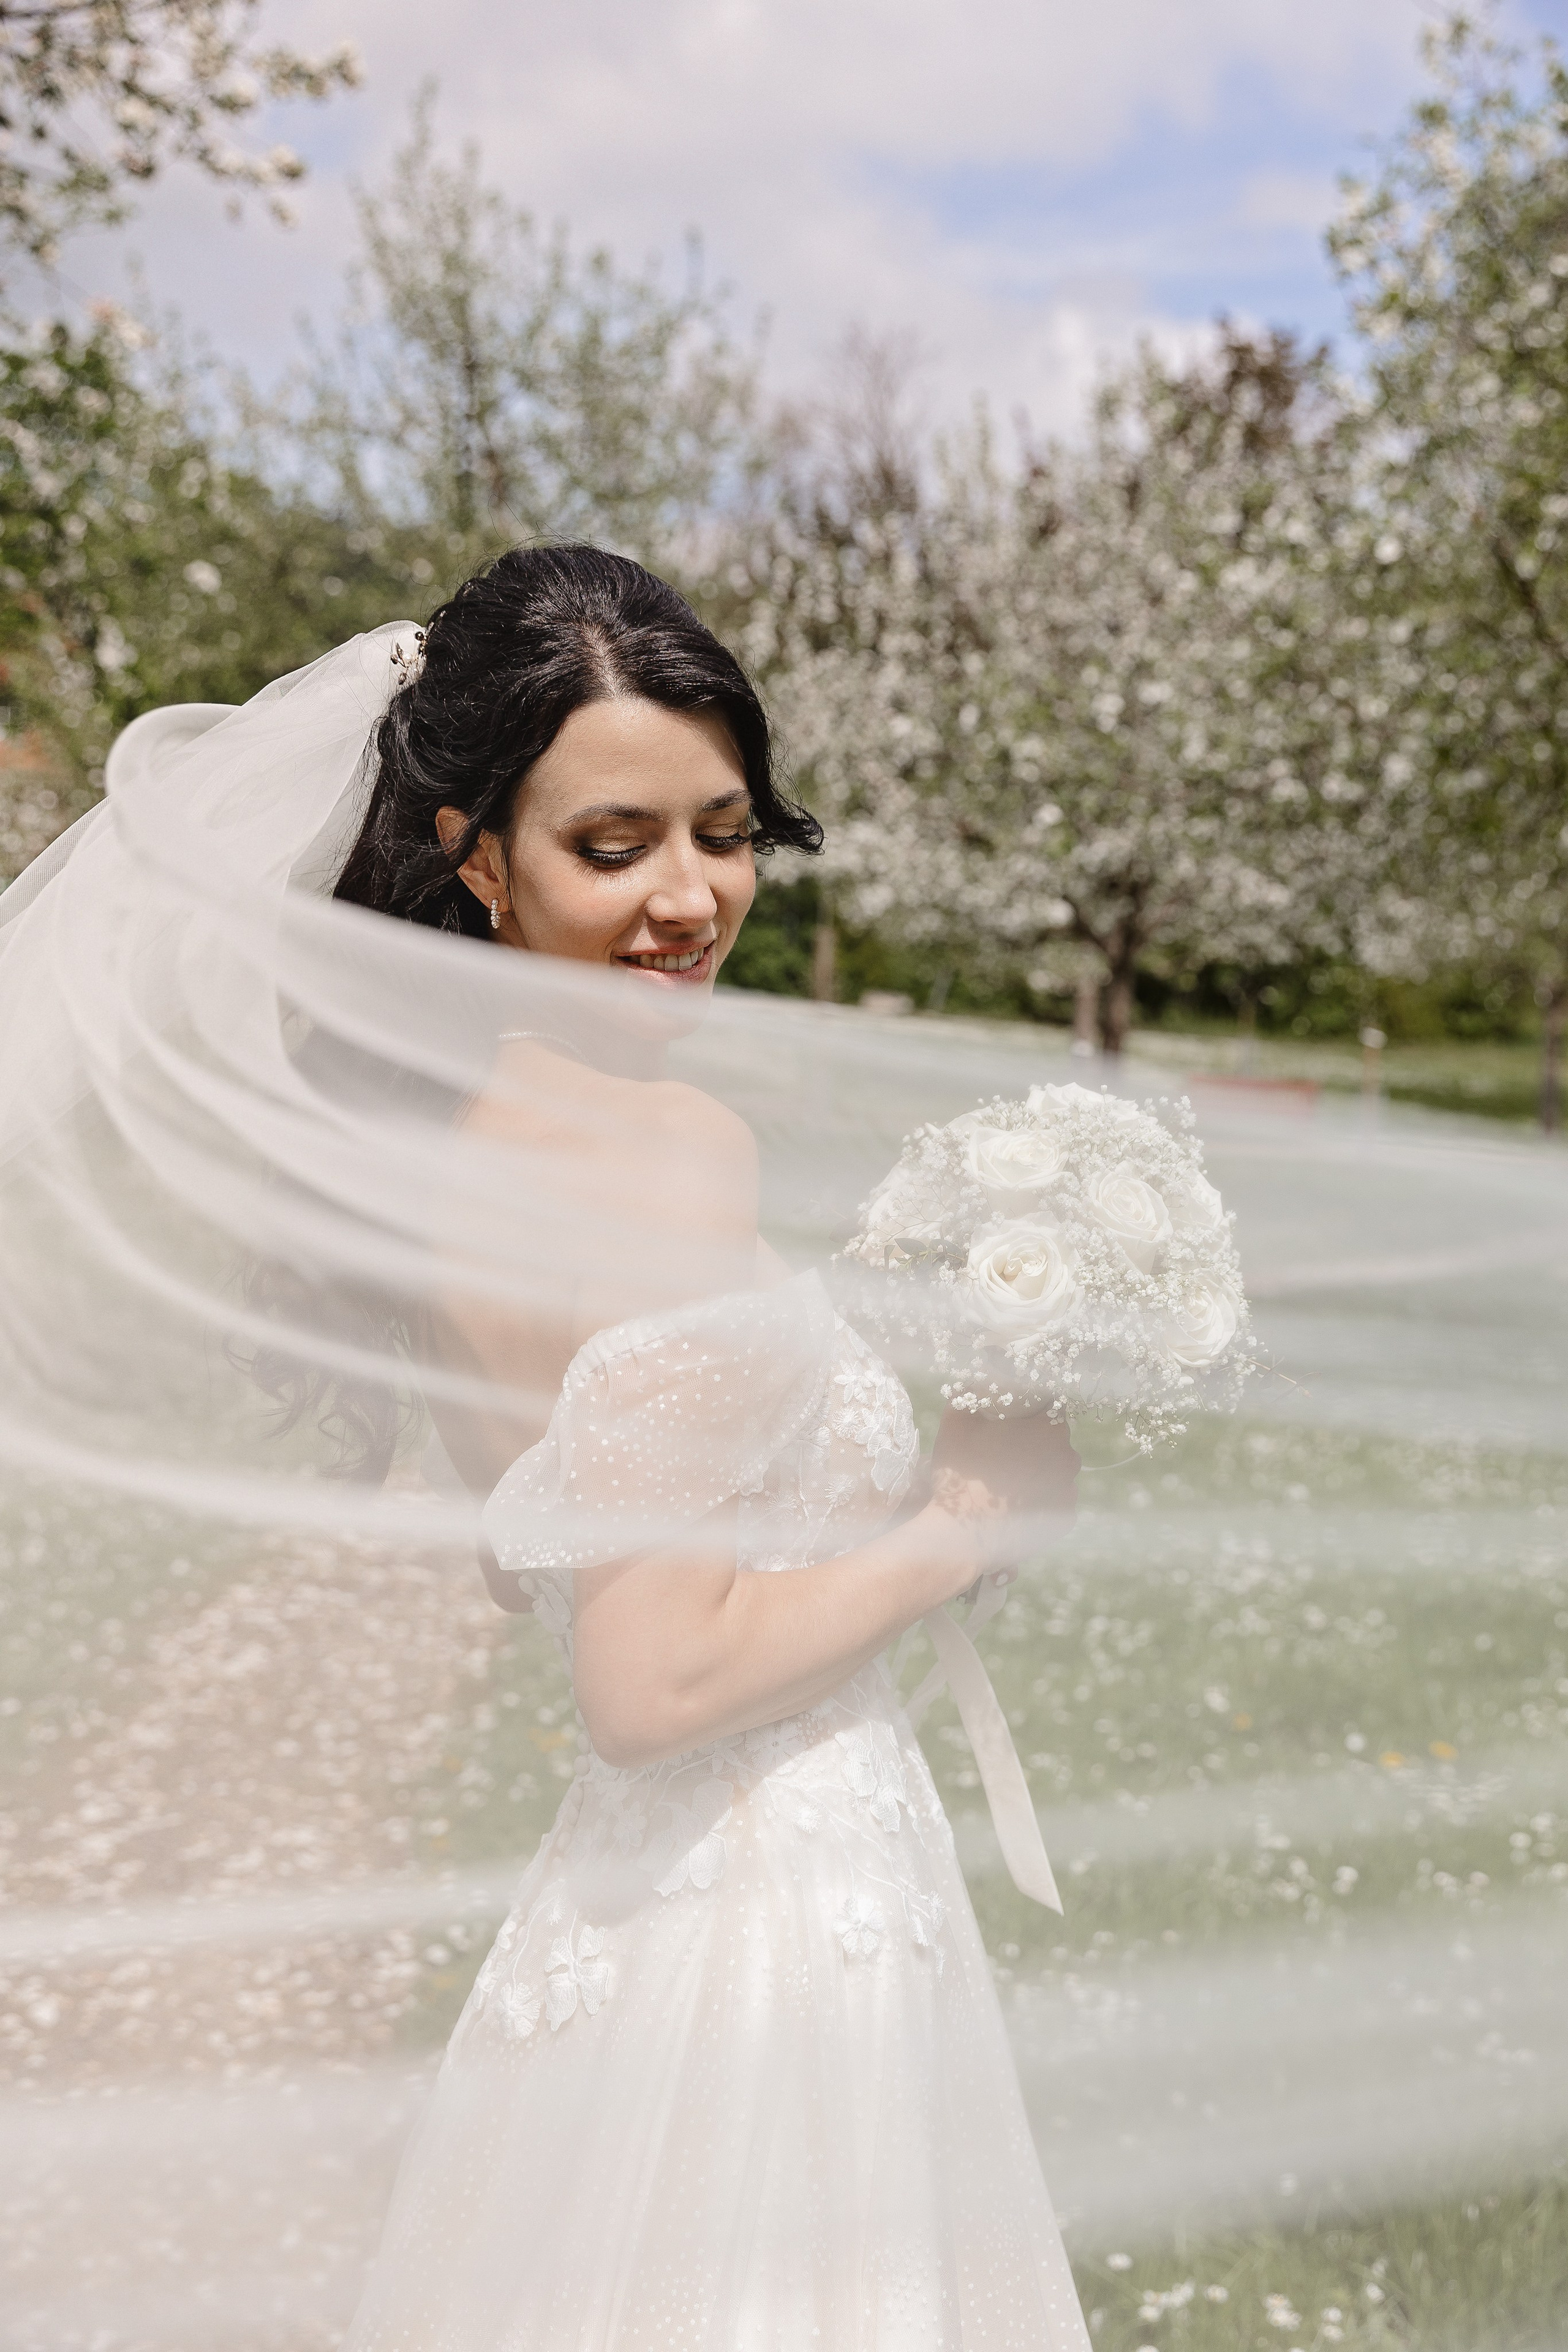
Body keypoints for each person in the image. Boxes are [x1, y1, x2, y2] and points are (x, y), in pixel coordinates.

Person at [331, 546, 1091, 2351]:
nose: (692, 897)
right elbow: (652, 1679)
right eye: (617, 845)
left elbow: (568, 1543)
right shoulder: (665, 1148)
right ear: (474, 852)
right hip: (760, 1916)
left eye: (725, 831)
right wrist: (966, 1523)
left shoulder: (444, 1142)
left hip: (629, 1904)